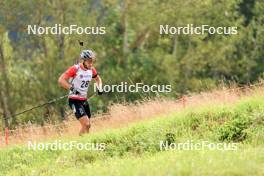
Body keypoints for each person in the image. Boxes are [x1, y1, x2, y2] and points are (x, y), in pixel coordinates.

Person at [58, 50, 103, 136]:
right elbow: (61, 80)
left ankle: (85, 143)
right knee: (86, 124)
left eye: (92, 62)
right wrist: (72, 88)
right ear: (83, 61)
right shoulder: (75, 69)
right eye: (89, 62)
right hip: (74, 100)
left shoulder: (92, 70)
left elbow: (98, 79)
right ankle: (79, 143)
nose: (91, 64)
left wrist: (99, 87)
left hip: (84, 100)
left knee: (88, 126)